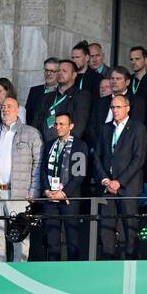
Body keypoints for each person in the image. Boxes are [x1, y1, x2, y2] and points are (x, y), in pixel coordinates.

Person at [0, 96, 42, 263]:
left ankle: (20, 271)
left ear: (18, 110)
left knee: (20, 235)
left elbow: (38, 164)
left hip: (18, 193)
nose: (5, 109)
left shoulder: (30, 133)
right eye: (3, 107)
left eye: (9, 106)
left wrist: (34, 190)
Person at [93, 94, 147, 260]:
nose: (115, 110)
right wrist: (105, 180)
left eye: (118, 107)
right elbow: (97, 156)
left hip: (128, 187)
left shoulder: (138, 128)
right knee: (106, 227)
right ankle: (109, 263)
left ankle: (131, 263)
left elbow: (138, 159)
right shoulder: (105, 128)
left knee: (130, 228)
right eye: (113, 107)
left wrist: (119, 181)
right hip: (107, 187)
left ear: (127, 108)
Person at [40, 111, 89, 261]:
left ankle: (73, 272)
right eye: (56, 124)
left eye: (62, 124)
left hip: (69, 198)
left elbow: (79, 174)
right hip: (50, 198)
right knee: (52, 238)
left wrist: (64, 192)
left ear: (71, 126)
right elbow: (42, 171)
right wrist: (47, 190)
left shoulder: (80, 145)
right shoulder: (49, 145)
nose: (58, 127)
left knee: (72, 238)